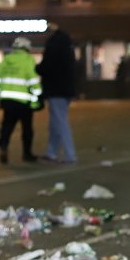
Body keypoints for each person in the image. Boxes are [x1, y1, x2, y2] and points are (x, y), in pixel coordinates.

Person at [0, 36, 42, 164]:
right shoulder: (27, 59)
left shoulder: (6, 60)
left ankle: (3, 147)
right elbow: (33, 79)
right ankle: (27, 154)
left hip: (7, 100)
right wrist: (38, 94)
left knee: (7, 126)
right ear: (27, 48)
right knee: (27, 129)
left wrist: (0, 96)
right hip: (23, 101)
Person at [37, 24, 77, 164]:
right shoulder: (66, 45)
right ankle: (52, 153)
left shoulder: (53, 45)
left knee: (60, 122)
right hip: (65, 89)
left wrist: (37, 68)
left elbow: (47, 67)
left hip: (56, 89)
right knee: (55, 123)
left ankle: (70, 155)